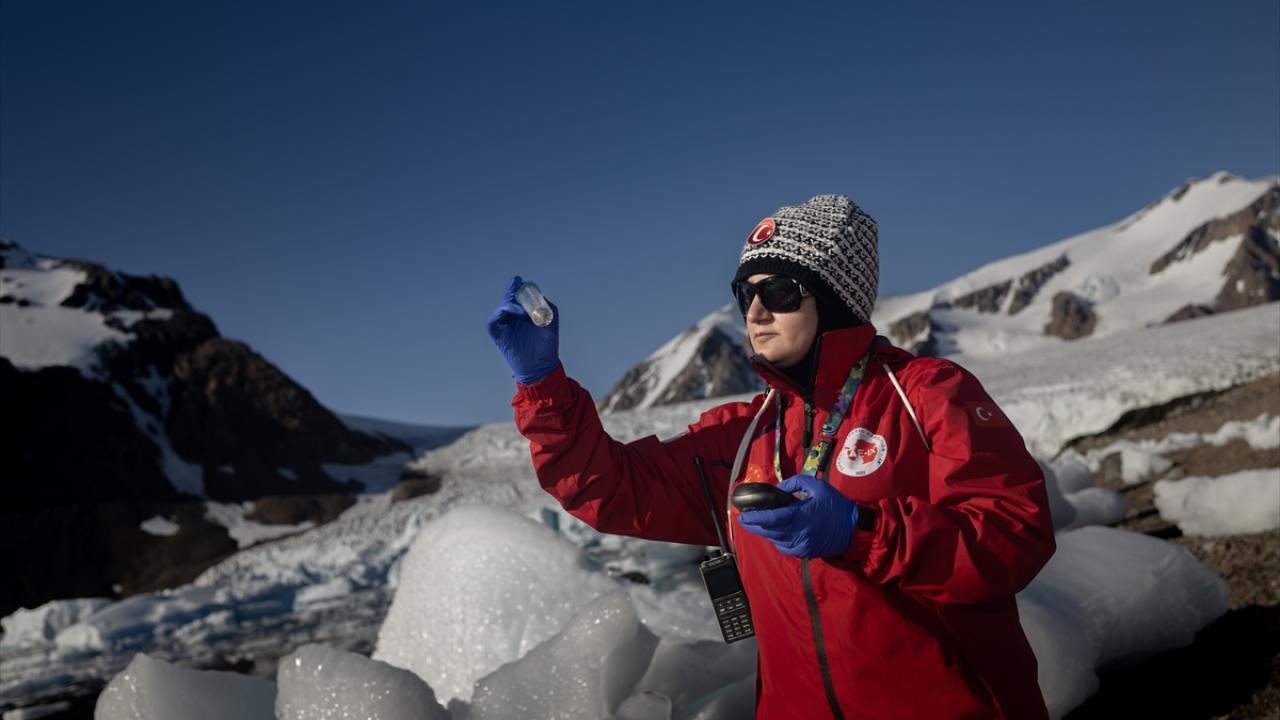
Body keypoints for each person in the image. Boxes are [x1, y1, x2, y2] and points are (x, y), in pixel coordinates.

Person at [486, 194, 1056, 719]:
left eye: (780, 292)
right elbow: (610, 489)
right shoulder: (743, 437)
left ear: (833, 298)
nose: (756, 311)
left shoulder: (926, 394)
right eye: (745, 294)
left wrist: (862, 531)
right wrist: (543, 385)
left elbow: (1015, 537)